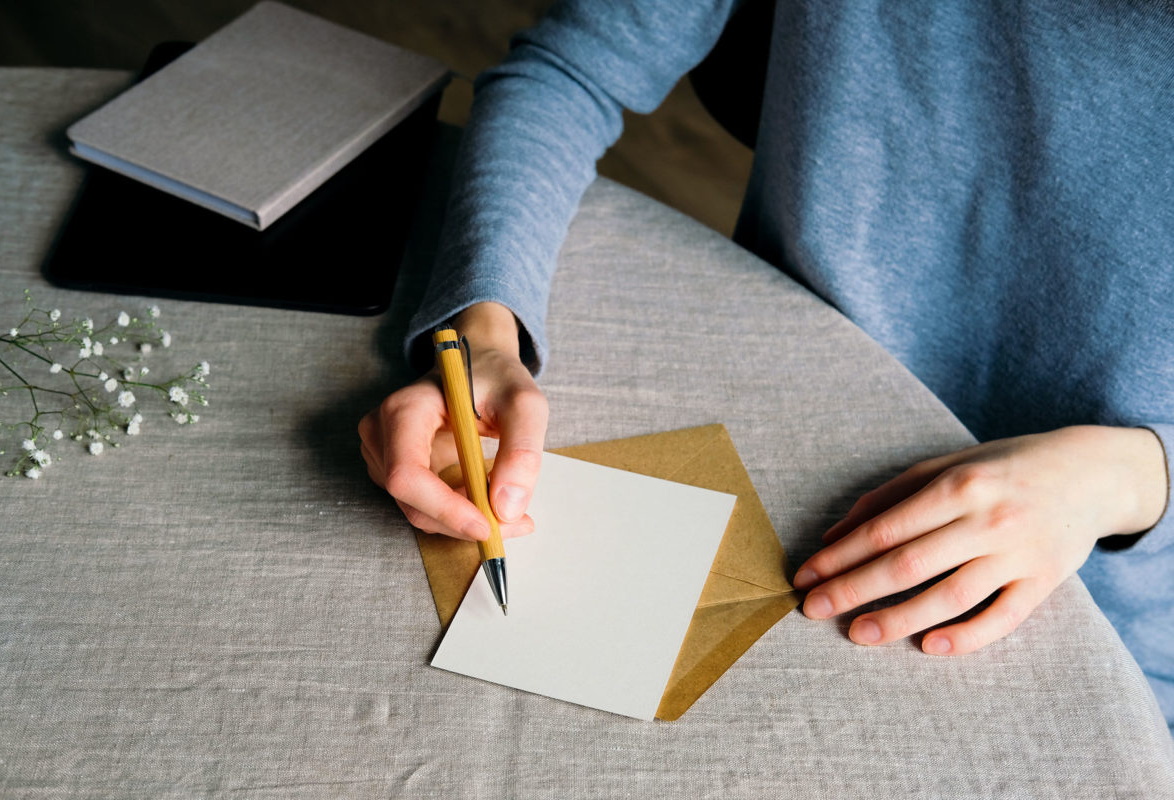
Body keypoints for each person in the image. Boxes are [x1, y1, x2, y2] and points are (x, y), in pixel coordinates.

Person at [359, 0, 1173, 729]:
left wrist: (1128, 477)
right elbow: (569, 69)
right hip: (772, 432)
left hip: (1110, 588)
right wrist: (488, 330)